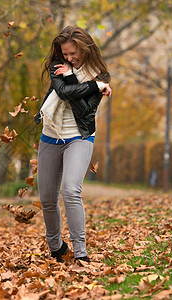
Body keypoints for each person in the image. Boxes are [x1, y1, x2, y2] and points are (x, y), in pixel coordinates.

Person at [35, 25, 112, 263]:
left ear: (85, 48)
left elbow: (85, 109)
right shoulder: (57, 65)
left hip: (79, 137)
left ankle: (81, 252)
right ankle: (56, 246)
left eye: (72, 54)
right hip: (51, 135)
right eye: (65, 53)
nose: (68, 58)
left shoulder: (100, 74)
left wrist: (72, 77)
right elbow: (63, 92)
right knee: (47, 198)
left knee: (70, 190)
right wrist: (94, 87)